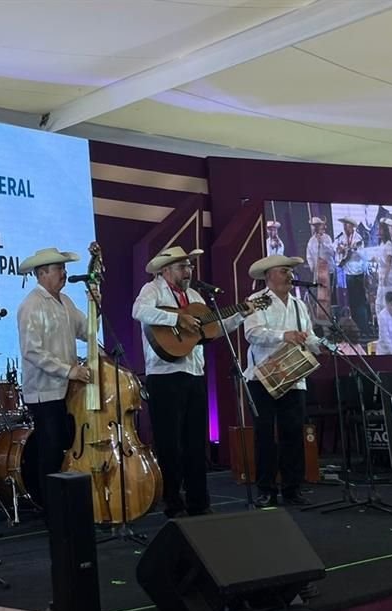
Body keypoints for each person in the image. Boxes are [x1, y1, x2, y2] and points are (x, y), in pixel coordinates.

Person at [133, 246, 253, 518]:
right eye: (182, 266)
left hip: (193, 374)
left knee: (196, 441)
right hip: (164, 375)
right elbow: (139, 311)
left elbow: (213, 329)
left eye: (189, 266)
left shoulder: (196, 296)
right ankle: (173, 502)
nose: (188, 271)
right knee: (169, 442)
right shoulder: (151, 290)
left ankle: (200, 501)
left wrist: (241, 314)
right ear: (166, 270)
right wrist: (177, 317)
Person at [17, 247, 92, 510]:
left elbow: (87, 331)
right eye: (59, 268)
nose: (64, 272)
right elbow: (32, 351)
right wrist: (68, 370)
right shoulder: (31, 305)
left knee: (65, 446)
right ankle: (52, 510)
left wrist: (96, 304)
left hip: (67, 390)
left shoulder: (66, 302)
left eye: (63, 267)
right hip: (45, 391)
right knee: (50, 452)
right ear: (42, 273)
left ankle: (66, 505)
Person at [244, 256, 321, 506]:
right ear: (269, 276)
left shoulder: (299, 304)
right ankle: (266, 489)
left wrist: (321, 343)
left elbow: (308, 336)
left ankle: (292, 488)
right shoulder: (256, 301)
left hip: (293, 377)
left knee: (293, 433)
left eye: (290, 271)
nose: (289, 275)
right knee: (265, 435)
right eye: (283, 270)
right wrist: (283, 336)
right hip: (262, 377)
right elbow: (252, 333)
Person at [336, 216, 369, 337]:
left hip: (358, 274)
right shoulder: (342, 238)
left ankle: (364, 328)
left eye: (347, 224)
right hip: (348, 273)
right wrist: (341, 251)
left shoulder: (358, 238)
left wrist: (354, 250)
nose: (345, 227)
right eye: (344, 224)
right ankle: (356, 329)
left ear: (352, 226)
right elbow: (339, 254)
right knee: (353, 303)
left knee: (360, 302)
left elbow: (363, 255)